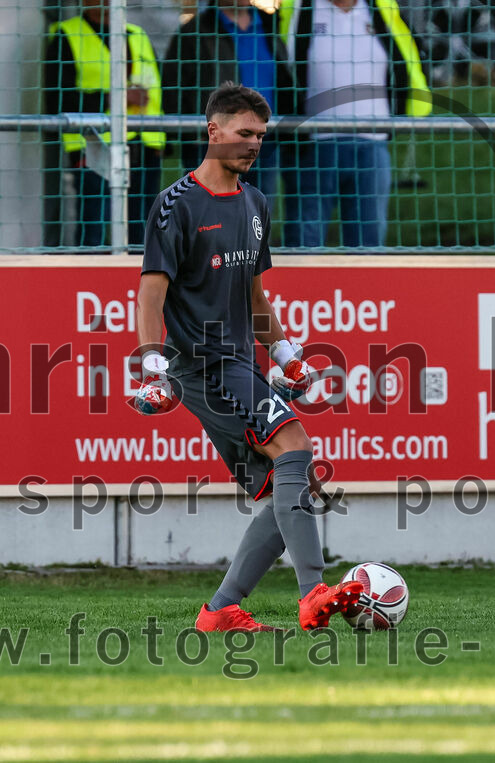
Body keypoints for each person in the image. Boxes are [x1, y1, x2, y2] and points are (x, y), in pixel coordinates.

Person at [134, 82, 362, 631]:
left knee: (286, 483)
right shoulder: (177, 203)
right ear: (213, 132)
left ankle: (220, 611)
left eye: (261, 135)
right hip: (203, 367)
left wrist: (284, 354)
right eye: (244, 133)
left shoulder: (256, 202)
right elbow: (150, 293)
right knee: (295, 444)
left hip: (241, 364)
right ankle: (313, 593)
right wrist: (152, 367)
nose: (254, 143)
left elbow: (254, 297)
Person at [278, 0, 431, 248]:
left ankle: (366, 287)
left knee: (368, 245)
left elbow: (407, 60)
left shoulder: (382, 9)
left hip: (372, 147)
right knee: (303, 242)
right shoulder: (297, 9)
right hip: (312, 147)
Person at [43, 0, 165, 247]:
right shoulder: (66, 35)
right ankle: (88, 282)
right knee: (94, 229)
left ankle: (141, 283)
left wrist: (159, 140)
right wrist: (112, 97)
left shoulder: (137, 34)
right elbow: (57, 100)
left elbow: (159, 88)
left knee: (145, 231)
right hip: (94, 146)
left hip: (145, 145)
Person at [161, 0, 298, 203]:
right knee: (210, 218)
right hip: (215, 144)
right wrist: (193, 133)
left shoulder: (269, 27)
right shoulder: (194, 31)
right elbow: (172, 86)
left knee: (257, 217)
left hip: (264, 143)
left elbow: (285, 78)